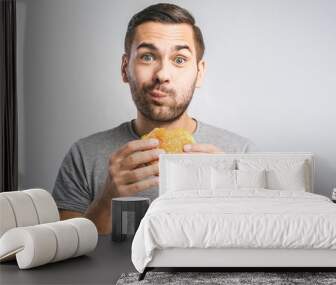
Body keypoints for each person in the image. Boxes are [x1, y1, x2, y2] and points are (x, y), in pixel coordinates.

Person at [52, 3, 258, 234]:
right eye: (148, 57)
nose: (162, 75)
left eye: (179, 59)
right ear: (124, 68)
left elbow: (260, 245)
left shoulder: (240, 154)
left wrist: (236, 201)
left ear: (199, 73)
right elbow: (64, 254)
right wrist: (107, 199)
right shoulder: (84, 155)